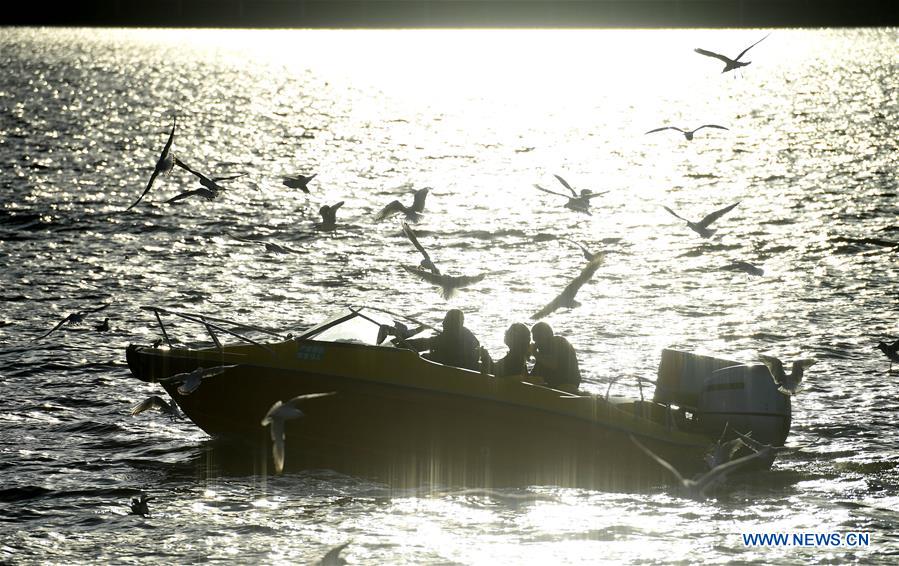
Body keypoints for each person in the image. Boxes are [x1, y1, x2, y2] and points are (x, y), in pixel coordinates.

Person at [409, 309, 480, 371]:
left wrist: (406, 344)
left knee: (424, 358)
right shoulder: (464, 333)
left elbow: (428, 343)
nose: (443, 323)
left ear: (453, 323)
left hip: (454, 370)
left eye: (446, 320)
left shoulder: (451, 337)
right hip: (457, 366)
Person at [529, 322, 581, 390]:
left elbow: (553, 364)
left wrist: (534, 353)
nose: (536, 343)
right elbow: (535, 372)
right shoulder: (543, 350)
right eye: (535, 340)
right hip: (552, 384)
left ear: (547, 335)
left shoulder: (559, 342)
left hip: (567, 384)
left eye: (538, 339)